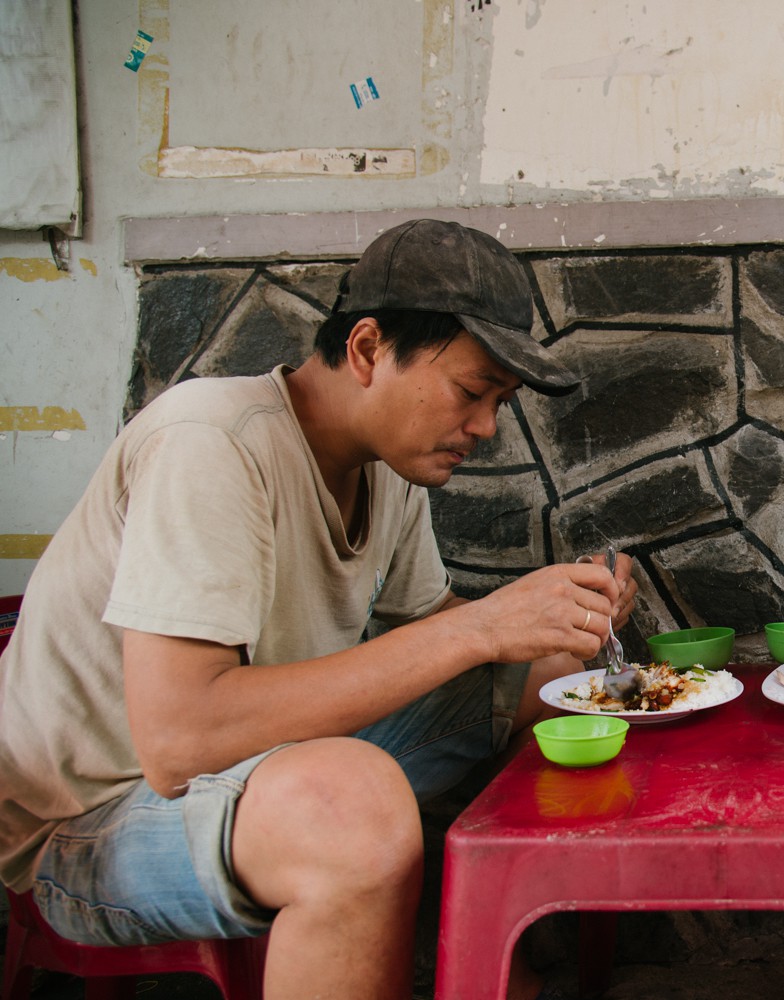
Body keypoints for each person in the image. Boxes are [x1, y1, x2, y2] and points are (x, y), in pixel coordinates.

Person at [0, 219, 635, 1000]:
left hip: (249, 773)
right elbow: (178, 740)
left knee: (552, 671)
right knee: (349, 805)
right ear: (367, 349)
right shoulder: (213, 442)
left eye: (498, 402)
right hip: (92, 823)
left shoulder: (391, 467)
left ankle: (501, 975)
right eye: (472, 392)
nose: (485, 428)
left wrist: (547, 614)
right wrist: (479, 626)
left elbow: (427, 634)